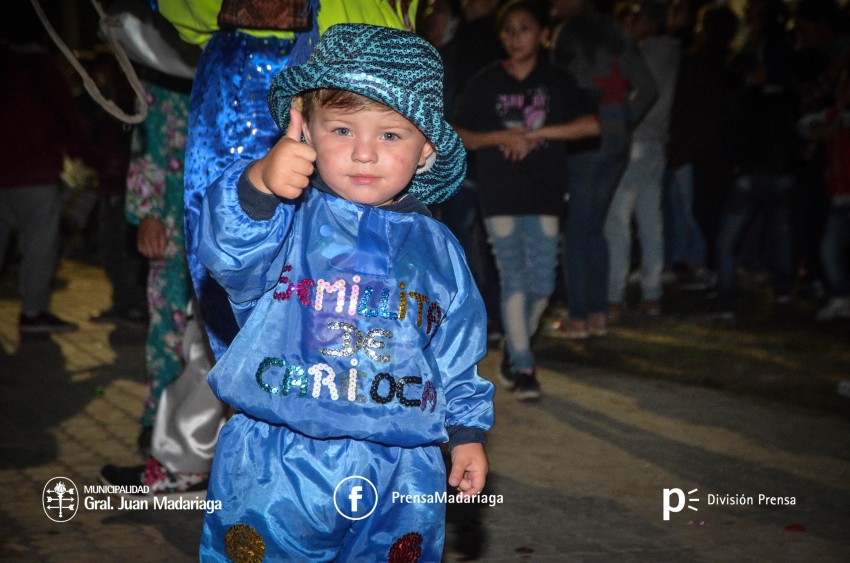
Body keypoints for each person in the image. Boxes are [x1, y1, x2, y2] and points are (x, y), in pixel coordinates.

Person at [196, 24, 495, 560]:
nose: (364, 153)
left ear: (426, 150)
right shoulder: (286, 219)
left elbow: (457, 351)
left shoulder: (439, 249)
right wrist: (260, 183)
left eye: (390, 135)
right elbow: (226, 252)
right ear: (305, 132)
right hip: (278, 459)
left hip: (402, 467)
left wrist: (467, 432)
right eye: (341, 129)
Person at [453, 0, 599, 400]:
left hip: (546, 191)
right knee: (515, 277)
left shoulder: (557, 79)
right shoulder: (486, 81)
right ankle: (523, 366)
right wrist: (503, 137)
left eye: (525, 29)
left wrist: (536, 134)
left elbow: (591, 125)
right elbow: (458, 133)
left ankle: (514, 348)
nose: (516, 37)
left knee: (544, 283)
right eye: (509, 30)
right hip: (499, 192)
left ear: (544, 35)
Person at [549, 0, 658, 338]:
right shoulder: (616, 30)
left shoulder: (569, 33)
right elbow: (648, 89)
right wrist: (621, 121)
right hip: (616, 135)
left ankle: (579, 317)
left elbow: (558, 88)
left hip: (585, 134)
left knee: (577, 231)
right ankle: (598, 314)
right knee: (594, 228)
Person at [0, 3, 90, 334]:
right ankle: (33, 312)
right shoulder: (41, 67)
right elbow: (66, 116)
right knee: (39, 245)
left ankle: (33, 312)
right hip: (35, 172)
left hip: (9, 171)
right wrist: (88, 157)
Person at [605, 0, 679, 318]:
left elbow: (633, 92)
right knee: (650, 222)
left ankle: (614, 295)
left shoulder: (646, 53)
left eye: (635, 19)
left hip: (635, 140)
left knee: (618, 221)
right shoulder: (671, 51)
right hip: (656, 143)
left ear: (649, 21)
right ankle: (652, 294)